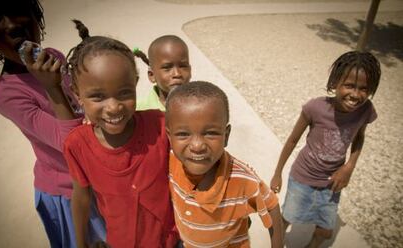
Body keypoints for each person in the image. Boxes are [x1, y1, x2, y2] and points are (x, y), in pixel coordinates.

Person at [0, 1, 105, 247]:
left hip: (98, 177)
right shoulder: (6, 94)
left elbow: (81, 106)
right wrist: (52, 87)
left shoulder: (54, 57)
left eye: (16, 9)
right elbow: (71, 143)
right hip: (68, 191)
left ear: (35, 15)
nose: (11, 25)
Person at [63, 20, 178, 248]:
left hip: (171, 241)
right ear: (77, 94)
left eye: (124, 93)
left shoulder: (160, 125)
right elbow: (81, 198)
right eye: (98, 96)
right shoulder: (77, 145)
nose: (114, 107)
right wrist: (80, 242)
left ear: (135, 84)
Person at [270, 51, 381, 248]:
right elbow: (292, 140)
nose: (356, 94)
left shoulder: (365, 110)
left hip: (331, 182)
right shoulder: (315, 108)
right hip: (303, 178)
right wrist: (277, 173)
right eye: (349, 85)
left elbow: (359, 137)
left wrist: (349, 167)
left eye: (364, 88)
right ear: (335, 83)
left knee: (324, 230)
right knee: (288, 217)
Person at [165, 81, 283, 248]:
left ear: (226, 136)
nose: (197, 146)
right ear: (170, 137)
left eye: (210, 133)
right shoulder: (170, 162)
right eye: (183, 134)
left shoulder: (242, 179)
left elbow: (271, 206)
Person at [135, 35, 191, 111]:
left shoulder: (200, 106)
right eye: (167, 68)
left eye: (183, 66)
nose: (177, 74)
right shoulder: (140, 111)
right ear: (152, 75)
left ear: (190, 70)